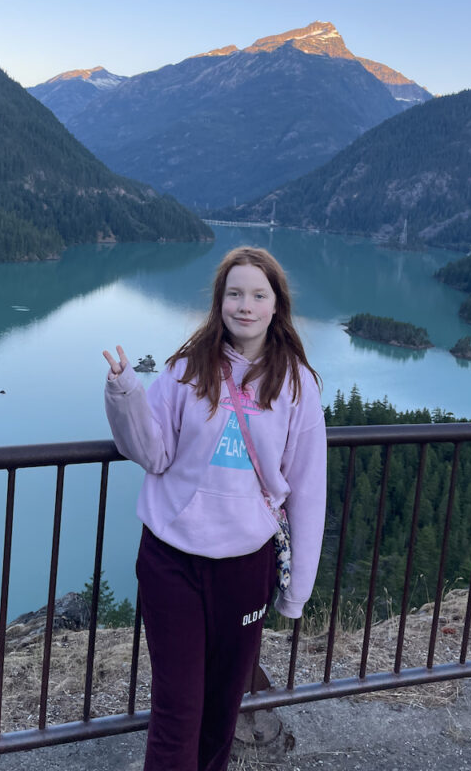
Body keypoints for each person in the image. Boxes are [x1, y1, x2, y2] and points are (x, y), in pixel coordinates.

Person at [103, 246, 327, 771]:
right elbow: (153, 453)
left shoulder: (296, 384)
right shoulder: (186, 369)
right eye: (234, 294)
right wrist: (126, 393)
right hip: (171, 563)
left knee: (221, 712)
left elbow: (307, 490)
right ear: (219, 302)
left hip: (246, 568)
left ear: (276, 306)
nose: (244, 305)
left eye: (257, 295)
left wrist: (298, 591)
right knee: (178, 711)